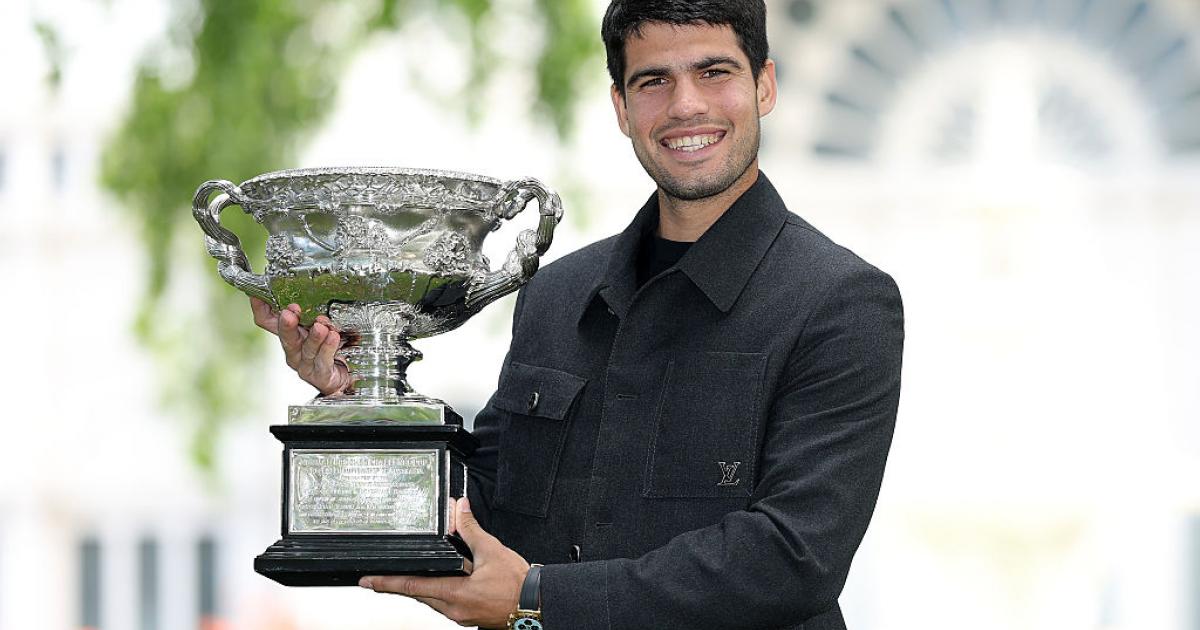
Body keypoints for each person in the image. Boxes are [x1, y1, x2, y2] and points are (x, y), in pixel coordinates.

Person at [251, 1, 904, 628]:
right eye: (653, 81)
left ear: (765, 85)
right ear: (622, 107)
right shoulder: (558, 294)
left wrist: (538, 602)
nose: (686, 105)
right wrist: (363, 400)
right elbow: (486, 509)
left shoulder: (839, 302)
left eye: (714, 72)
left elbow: (791, 560)